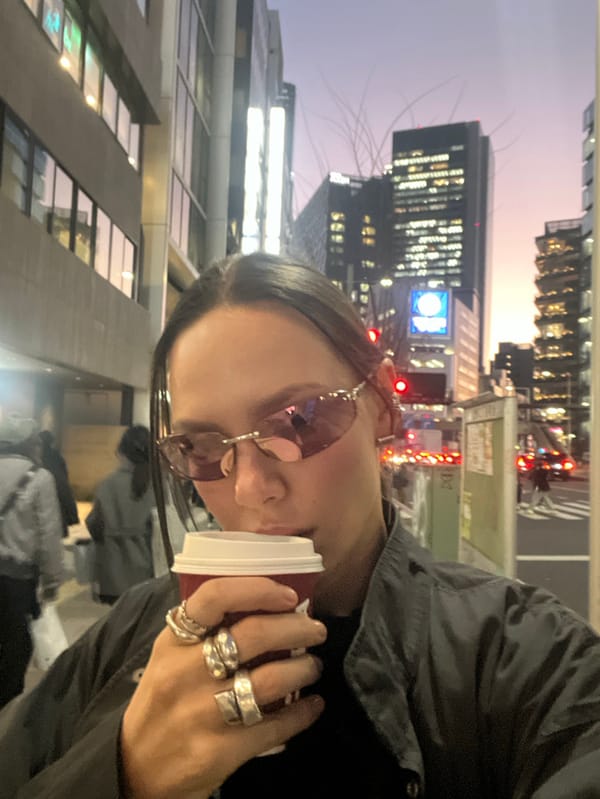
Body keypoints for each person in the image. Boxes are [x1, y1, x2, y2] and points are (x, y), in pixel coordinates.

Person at [0, 253, 599, 797]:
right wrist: (122, 771)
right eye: (203, 447)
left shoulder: (527, 666)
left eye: (299, 420)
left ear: (382, 411)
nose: (250, 486)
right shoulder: (131, 635)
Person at [0, 412, 64, 709]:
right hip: (17, 578)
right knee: (14, 643)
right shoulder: (39, 478)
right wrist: (52, 579)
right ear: (29, 441)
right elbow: (48, 533)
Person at [85, 425, 155, 605]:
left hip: (113, 570)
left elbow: (95, 524)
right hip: (151, 570)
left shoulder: (108, 484)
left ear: (121, 452)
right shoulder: (161, 485)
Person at [39, 429, 80, 538]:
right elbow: (63, 485)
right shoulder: (55, 457)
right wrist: (72, 515)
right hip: (55, 507)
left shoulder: (36, 457)